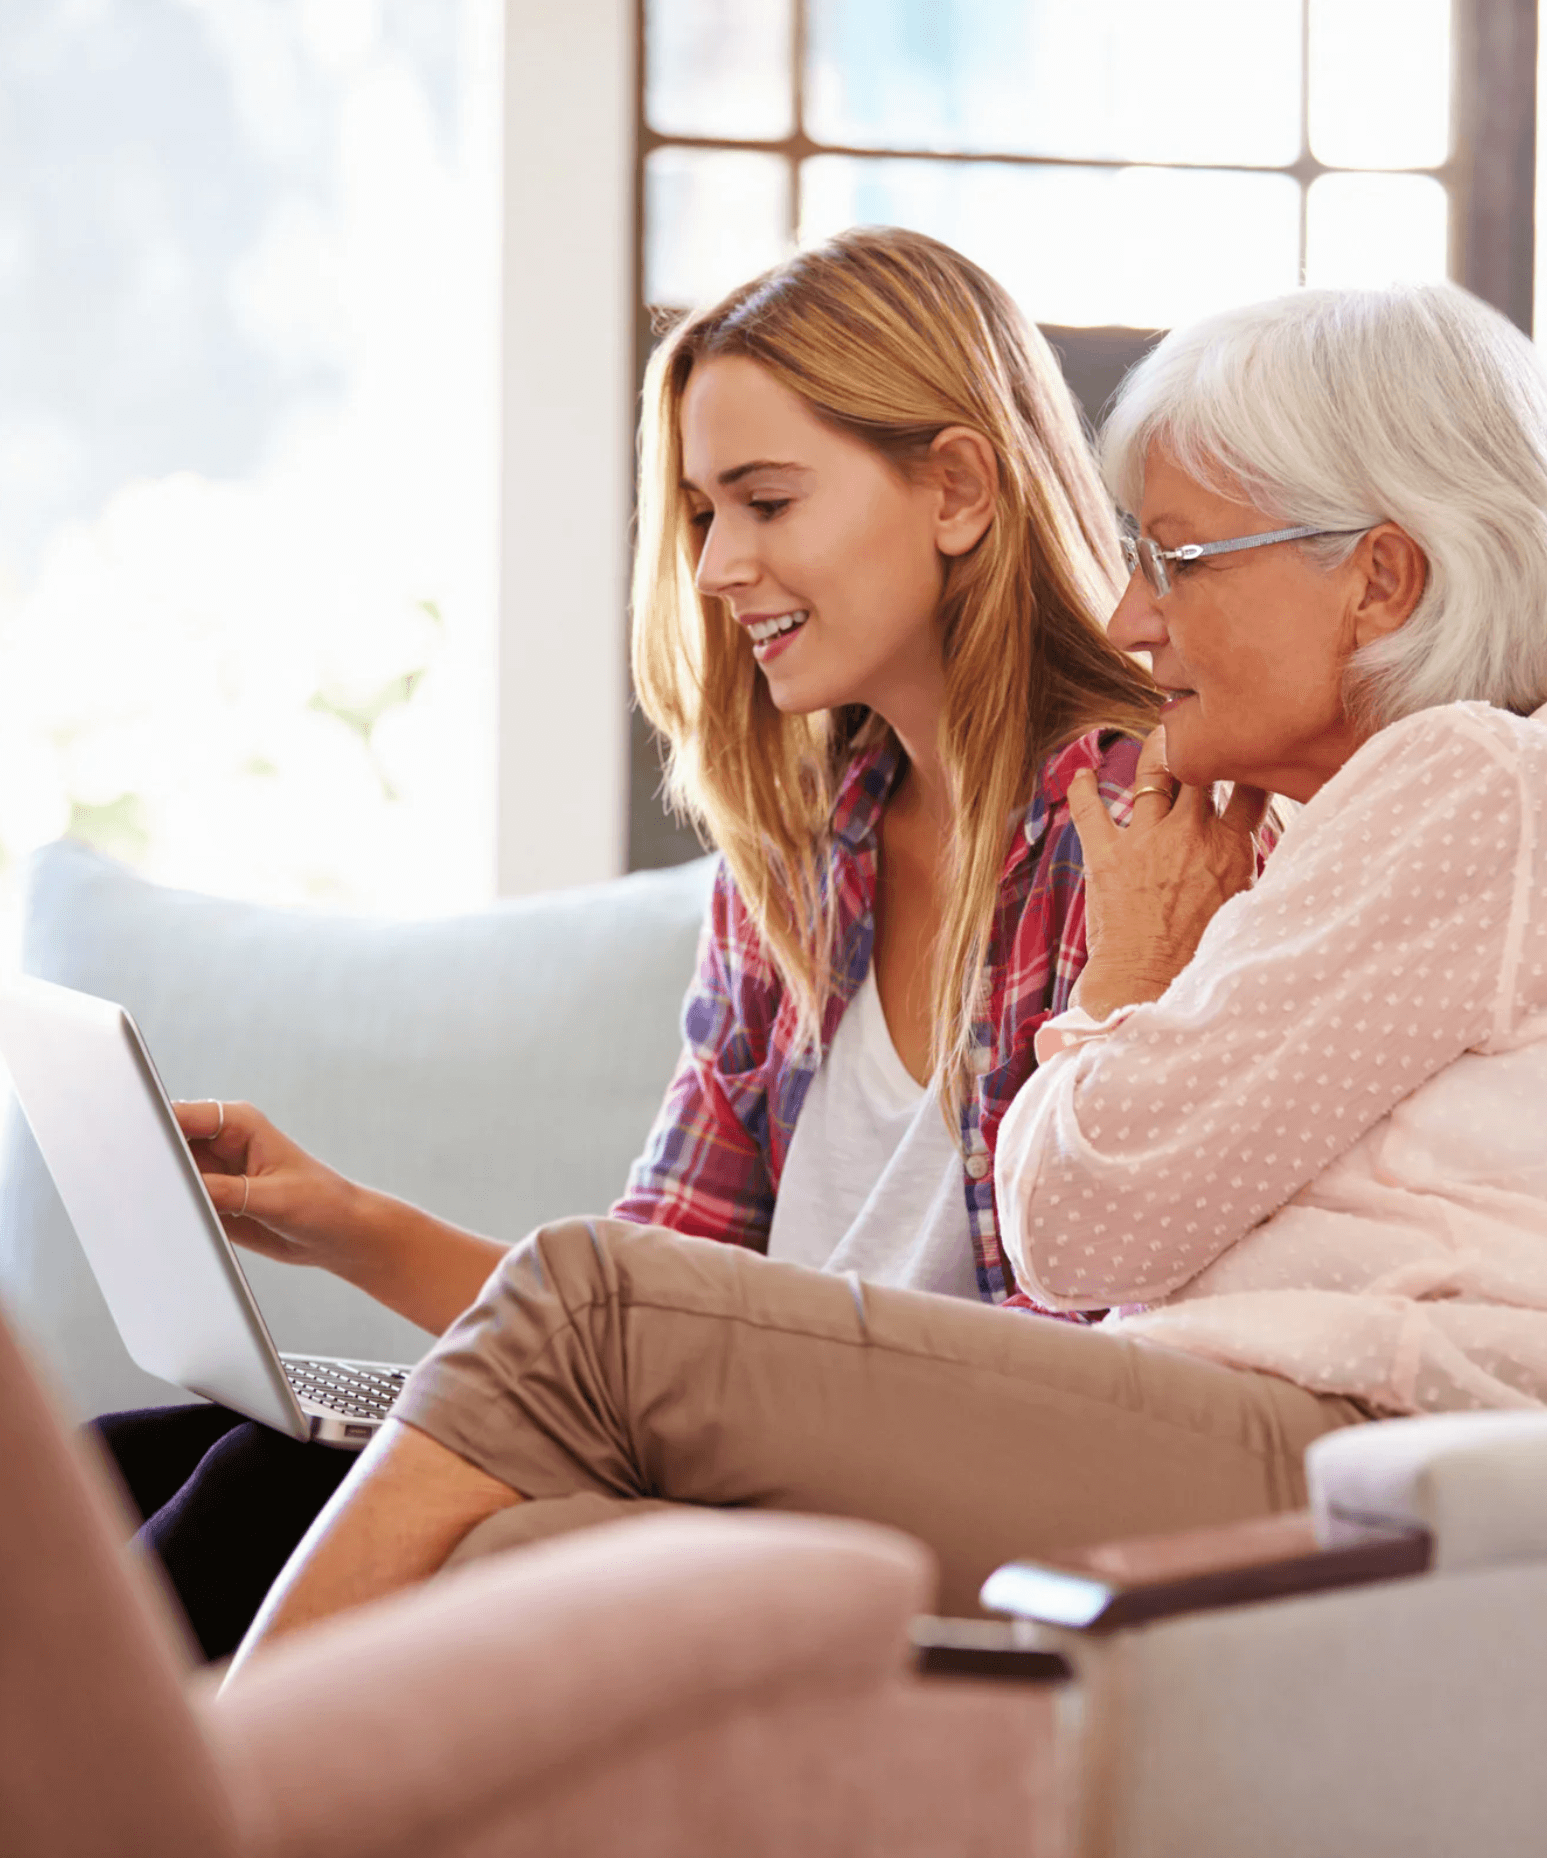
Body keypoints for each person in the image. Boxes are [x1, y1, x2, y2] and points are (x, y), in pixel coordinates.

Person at [221, 278, 1547, 1677]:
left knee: (583, 1301)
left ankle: (185, 1805)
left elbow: (1078, 1226)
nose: (1134, 613)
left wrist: (1125, 968)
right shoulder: (1406, 818)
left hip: (1421, 1479)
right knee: (516, 1546)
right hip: (1355, 1457)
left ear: (1381, 580)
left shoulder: (1483, 788)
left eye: (1179, 560)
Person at [94, 226, 1165, 1660]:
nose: (720, 565)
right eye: (702, 512)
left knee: (256, 1490)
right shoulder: (796, 872)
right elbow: (638, 1311)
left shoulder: (1137, 827)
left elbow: (1098, 1357)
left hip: (947, 1486)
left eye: (765, 501)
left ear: (959, 487)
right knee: (133, 1454)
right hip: (750, 1440)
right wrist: (341, 1220)